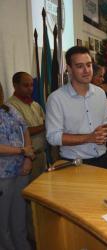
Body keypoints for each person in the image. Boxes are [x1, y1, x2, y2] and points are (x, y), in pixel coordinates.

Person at [46, 46, 107, 168]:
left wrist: (106, 129)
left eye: (89, 65)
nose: (86, 70)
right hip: (74, 162)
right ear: (69, 69)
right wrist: (89, 137)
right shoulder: (56, 98)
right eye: (80, 66)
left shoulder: (100, 93)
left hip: (103, 158)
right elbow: (53, 137)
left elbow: (106, 122)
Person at [0, 82, 33, 250]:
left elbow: (25, 130)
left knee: (19, 219)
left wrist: (27, 158)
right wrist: (22, 150)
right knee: (2, 225)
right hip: (2, 176)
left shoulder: (9, 109)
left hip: (20, 171)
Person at [8, 72, 46, 180]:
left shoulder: (35, 105)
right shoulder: (10, 107)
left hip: (41, 155)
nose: (30, 88)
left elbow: (44, 122)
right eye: (26, 85)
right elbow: (22, 132)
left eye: (32, 85)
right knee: (29, 192)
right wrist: (45, 126)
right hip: (25, 159)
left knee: (43, 191)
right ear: (15, 86)